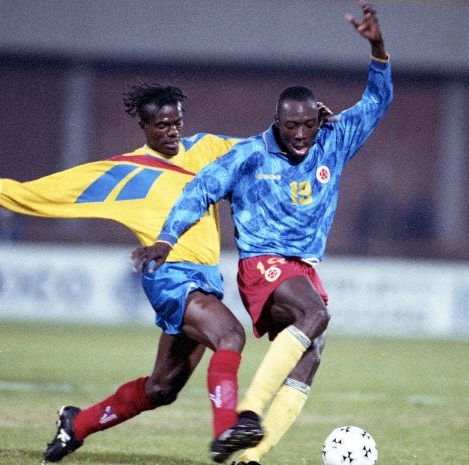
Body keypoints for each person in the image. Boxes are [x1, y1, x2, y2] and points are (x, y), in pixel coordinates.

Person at [0, 83, 274, 463]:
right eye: (162, 125)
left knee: (162, 388)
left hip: (206, 279)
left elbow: (260, 147)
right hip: (170, 277)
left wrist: (311, 131)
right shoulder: (127, 173)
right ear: (143, 126)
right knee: (230, 335)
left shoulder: (206, 149)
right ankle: (225, 433)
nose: (172, 131)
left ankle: (78, 424)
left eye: (177, 123)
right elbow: (59, 191)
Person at [133, 3, 393, 464]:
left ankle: (252, 458)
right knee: (315, 315)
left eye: (306, 126)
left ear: (318, 120)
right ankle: (248, 413)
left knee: (311, 354)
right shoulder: (250, 155)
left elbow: (377, 102)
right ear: (276, 121)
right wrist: (167, 239)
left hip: (304, 267)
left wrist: (376, 47)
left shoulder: (334, 138)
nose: (299, 135)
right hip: (263, 266)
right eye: (289, 126)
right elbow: (200, 190)